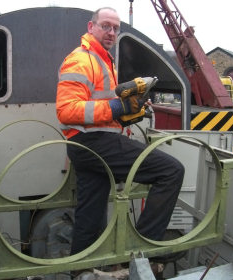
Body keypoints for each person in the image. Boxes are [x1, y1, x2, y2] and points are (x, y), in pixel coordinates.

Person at [56, 7, 185, 256]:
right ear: (90, 27)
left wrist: (129, 112)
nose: (111, 32)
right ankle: (144, 249)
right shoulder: (81, 60)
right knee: (171, 171)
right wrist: (118, 106)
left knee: (90, 216)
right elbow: (66, 111)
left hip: (86, 145)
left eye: (115, 28)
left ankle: (79, 268)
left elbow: (102, 111)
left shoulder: (104, 60)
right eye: (105, 26)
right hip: (92, 143)